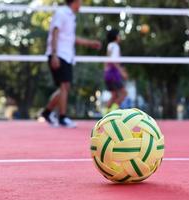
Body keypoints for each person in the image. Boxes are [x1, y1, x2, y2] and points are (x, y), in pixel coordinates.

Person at [42, 0, 101, 128]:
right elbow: (55, 33)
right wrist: (54, 54)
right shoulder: (61, 13)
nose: (81, 4)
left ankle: (47, 113)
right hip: (59, 54)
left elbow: (70, 37)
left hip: (67, 56)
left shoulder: (71, 16)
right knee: (64, 86)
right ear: (74, 2)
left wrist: (90, 43)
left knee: (65, 87)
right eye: (80, 1)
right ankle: (62, 117)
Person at [104, 29, 128, 114]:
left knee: (114, 95)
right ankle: (111, 113)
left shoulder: (110, 45)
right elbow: (114, 61)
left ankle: (106, 113)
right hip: (113, 73)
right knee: (124, 93)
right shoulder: (115, 46)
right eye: (119, 35)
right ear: (115, 36)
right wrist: (122, 72)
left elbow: (109, 60)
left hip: (108, 73)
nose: (120, 37)